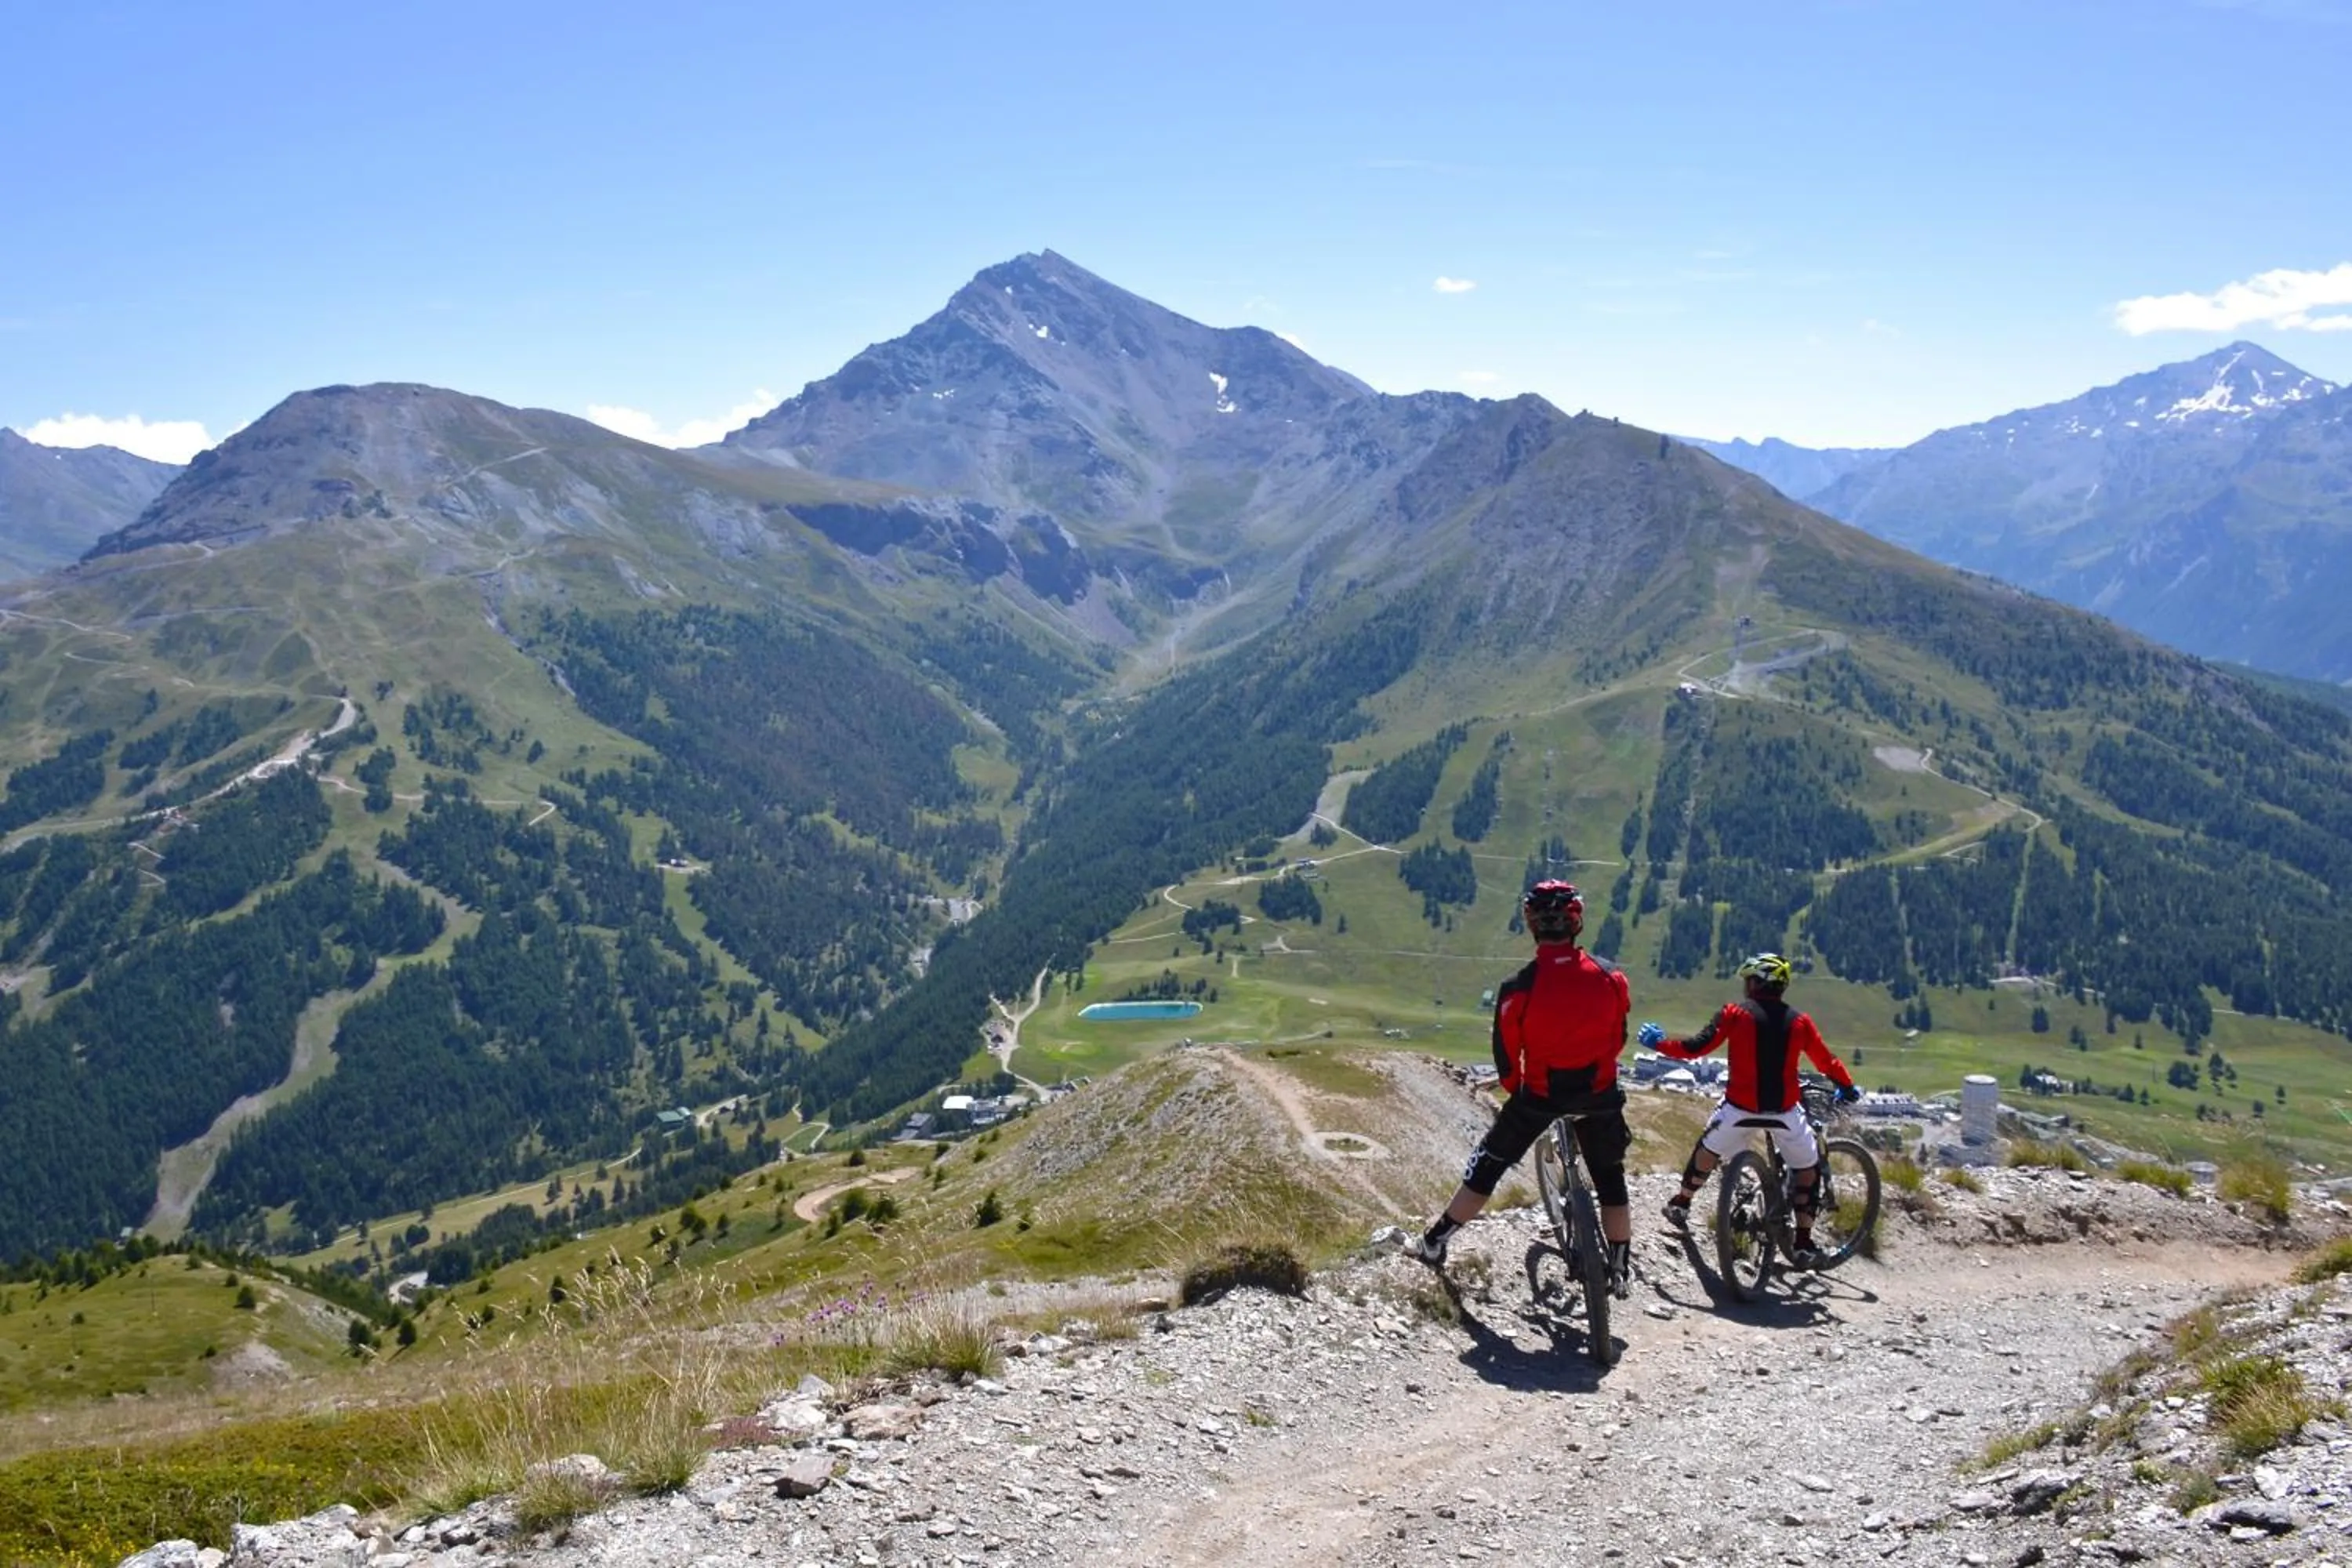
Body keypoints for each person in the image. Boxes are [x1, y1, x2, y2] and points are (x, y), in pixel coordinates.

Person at [1406, 880, 1635, 1291]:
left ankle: (1435, 1241)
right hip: (1599, 1095)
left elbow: (1507, 1058)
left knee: (1487, 1165)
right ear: (1576, 922)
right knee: (1610, 1178)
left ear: (1532, 925)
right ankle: (1619, 1266)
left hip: (1541, 1097)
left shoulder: (1518, 988)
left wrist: (1519, 1090)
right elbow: (1619, 1037)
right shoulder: (1612, 978)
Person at [1637, 952, 1860, 1269]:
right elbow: (1827, 1062)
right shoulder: (1801, 1022)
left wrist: (1659, 1043)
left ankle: (1682, 1201)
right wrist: (1847, 1086)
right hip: (1784, 1112)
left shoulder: (1734, 1014)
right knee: (1808, 1169)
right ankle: (1803, 1241)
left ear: (1757, 983)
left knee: (1708, 1149)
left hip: (1740, 1108)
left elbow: (1695, 1047)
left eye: (1748, 980)